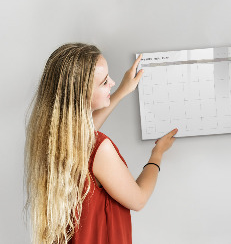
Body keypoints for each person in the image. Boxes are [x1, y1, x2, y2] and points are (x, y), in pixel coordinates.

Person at [24, 43, 177, 244]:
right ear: (81, 95)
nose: (112, 82)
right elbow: (138, 199)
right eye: (105, 82)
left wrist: (122, 91)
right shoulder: (100, 148)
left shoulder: (53, 137)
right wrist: (157, 153)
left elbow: (86, 135)